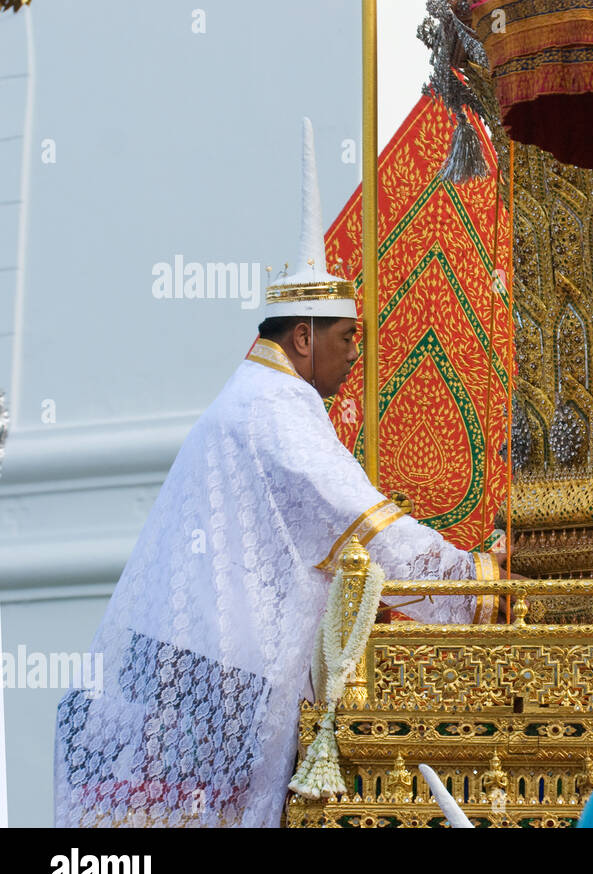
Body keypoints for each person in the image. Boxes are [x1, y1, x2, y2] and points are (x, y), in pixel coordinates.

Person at [53, 119, 505, 827]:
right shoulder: (277, 410)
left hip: (194, 676)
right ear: (302, 337)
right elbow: (370, 530)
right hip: (218, 688)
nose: (357, 352)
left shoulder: (252, 399)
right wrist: (478, 585)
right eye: (347, 336)